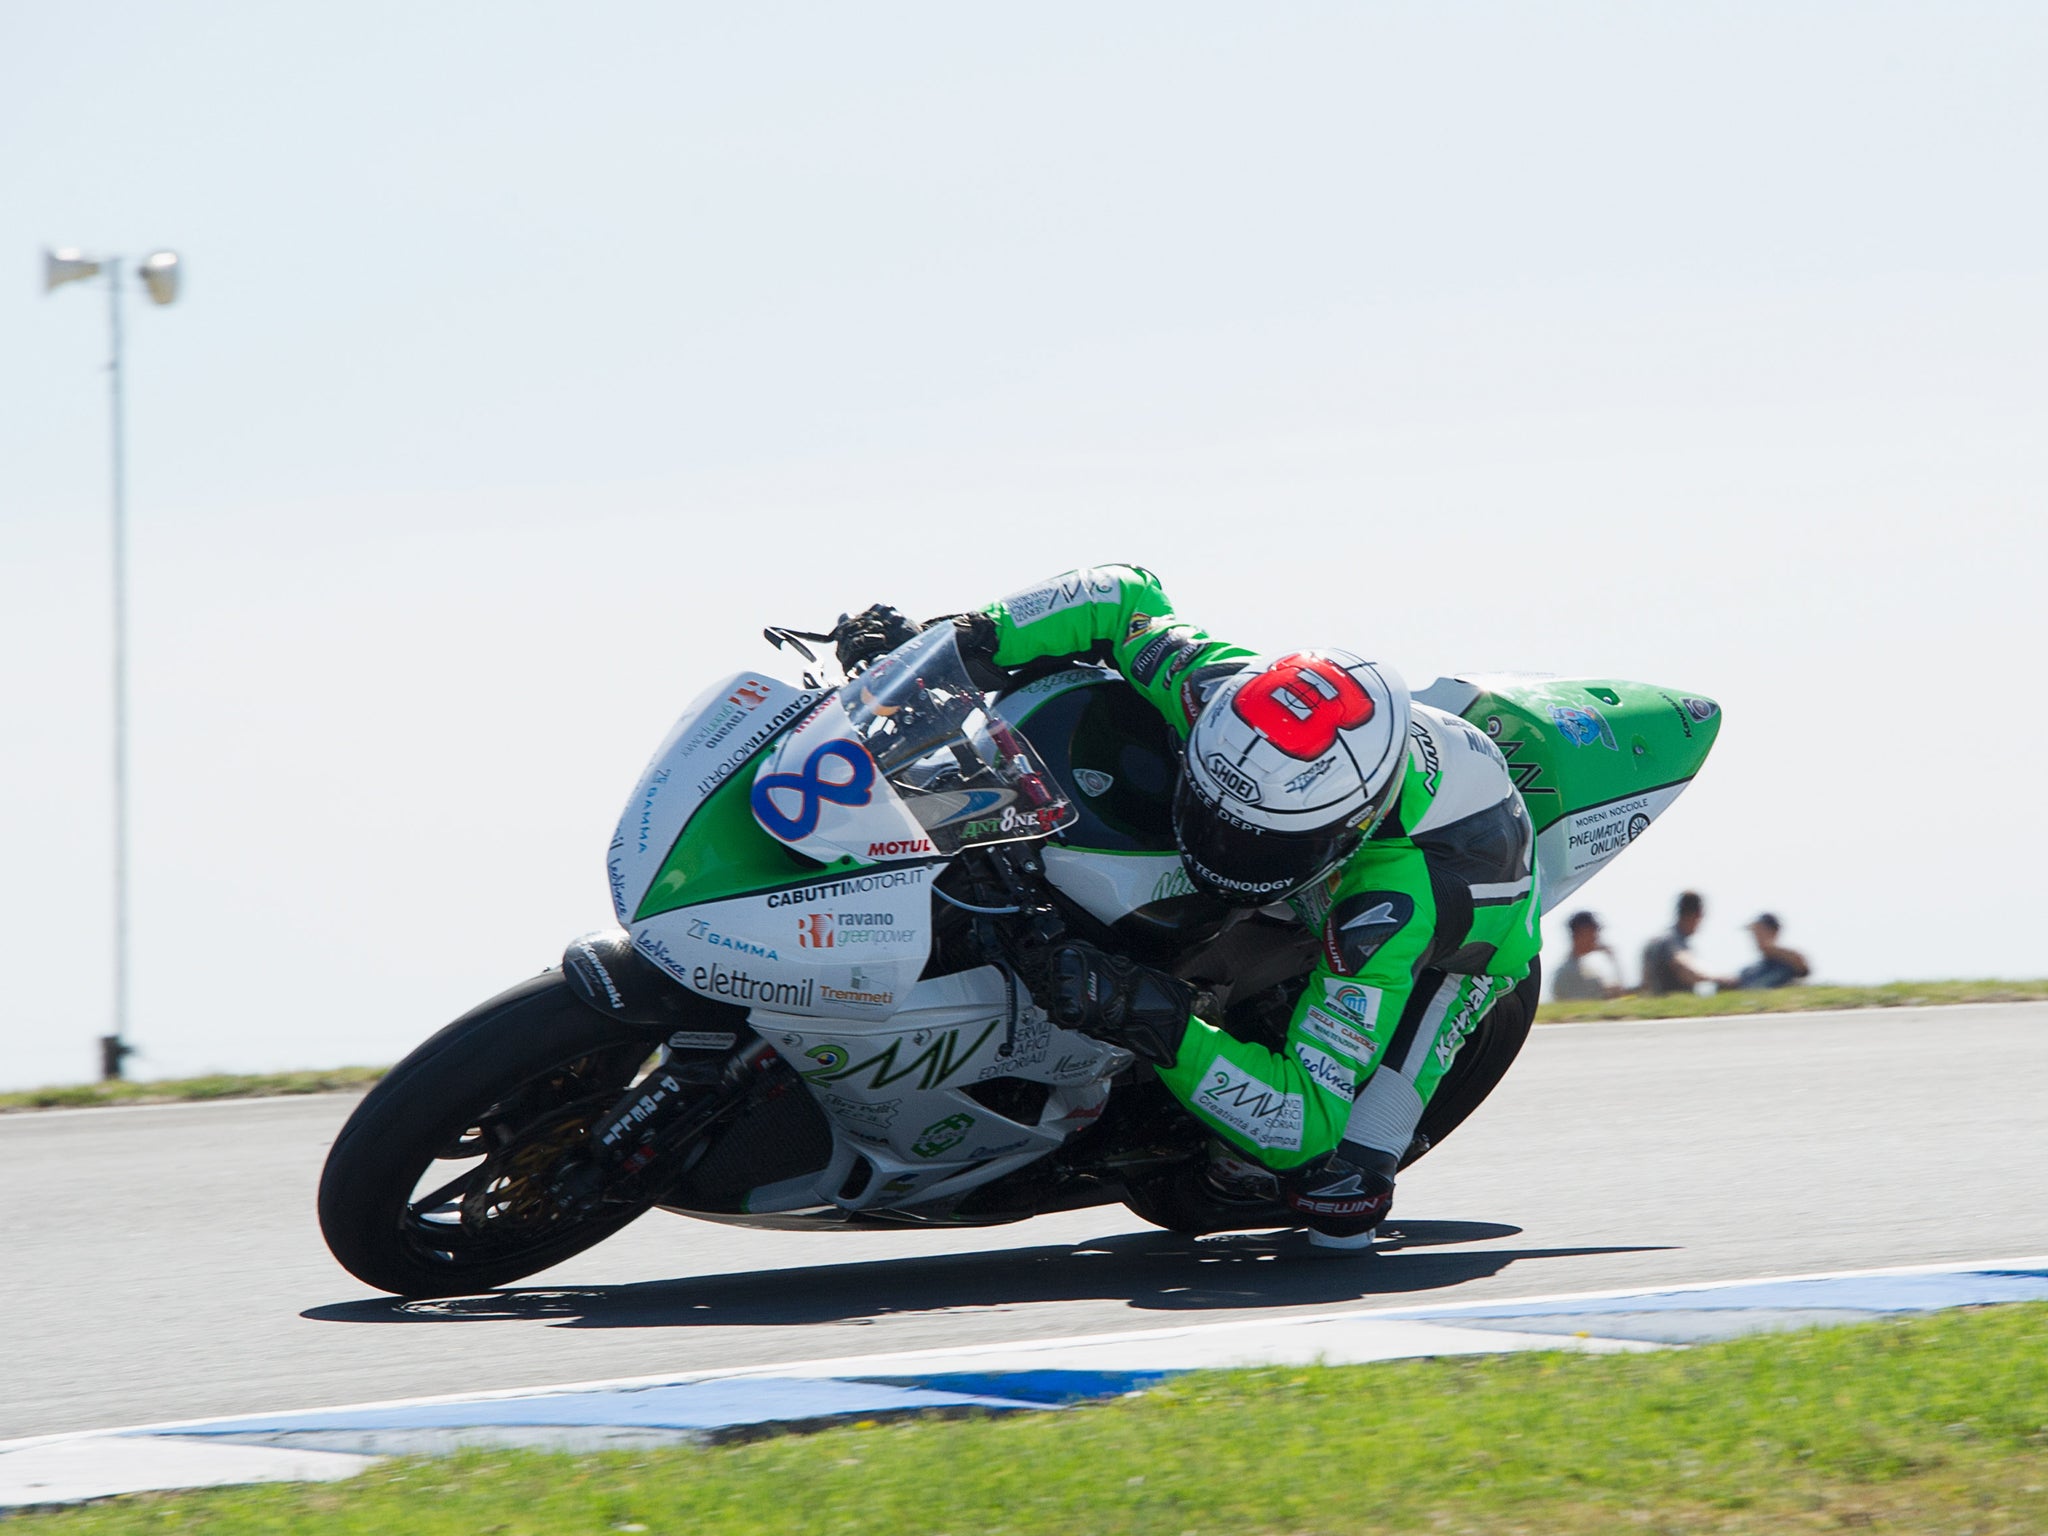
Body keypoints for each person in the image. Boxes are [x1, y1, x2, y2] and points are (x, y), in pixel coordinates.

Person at [833, 564, 1542, 1247]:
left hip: (1467, 939)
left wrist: (1151, 1016)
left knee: (1337, 1190)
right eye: (1211, 811)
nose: (1217, 848)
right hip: (1361, 809)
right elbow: (1117, 596)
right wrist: (959, 641)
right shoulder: (1219, 693)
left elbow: (1306, 1123)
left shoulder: (1385, 910)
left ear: (1343, 833)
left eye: (1253, 843)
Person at [1639, 891, 1734, 995]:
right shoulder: (1672, 940)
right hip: (1674, 1006)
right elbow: (1686, 969)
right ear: (1697, 915)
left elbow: (1645, 983)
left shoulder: (1655, 941)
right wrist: (1721, 979)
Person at [1551, 911, 1625, 1000]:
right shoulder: (1566, 972)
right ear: (1579, 934)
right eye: (1593, 932)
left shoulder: (1586, 967)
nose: (1596, 937)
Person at [1733, 913, 1809, 989]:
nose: (1756, 936)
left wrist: (1769, 947)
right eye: (1754, 932)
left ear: (1774, 932)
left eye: (1760, 930)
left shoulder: (1788, 962)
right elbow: (1737, 983)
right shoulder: (1750, 970)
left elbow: (1803, 968)